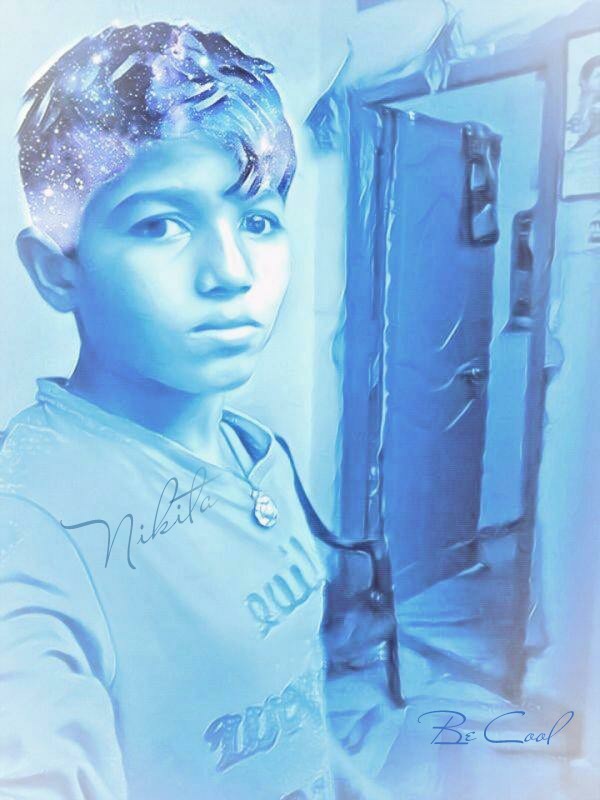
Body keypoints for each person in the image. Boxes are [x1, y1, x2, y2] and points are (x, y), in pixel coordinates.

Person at [0, 22, 334, 800]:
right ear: (56, 271)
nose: (232, 272)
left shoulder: (256, 450)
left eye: (258, 220)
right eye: (160, 224)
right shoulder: (30, 525)